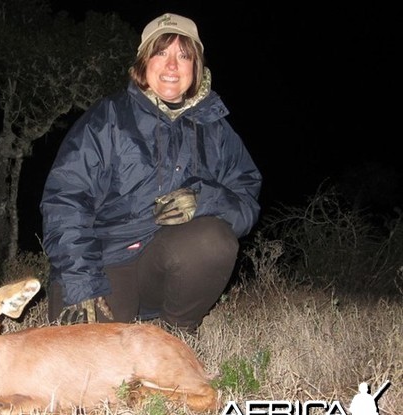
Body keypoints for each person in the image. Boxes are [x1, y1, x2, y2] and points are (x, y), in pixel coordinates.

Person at [40, 12, 262, 332]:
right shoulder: (108, 118)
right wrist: (81, 283)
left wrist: (205, 200)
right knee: (93, 361)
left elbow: (246, 197)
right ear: (143, 63)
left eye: (184, 56)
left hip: (162, 264)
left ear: (196, 67)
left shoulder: (217, 130)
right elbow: (66, 198)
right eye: (161, 53)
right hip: (104, 261)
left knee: (213, 240)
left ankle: (178, 331)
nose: (172, 66)